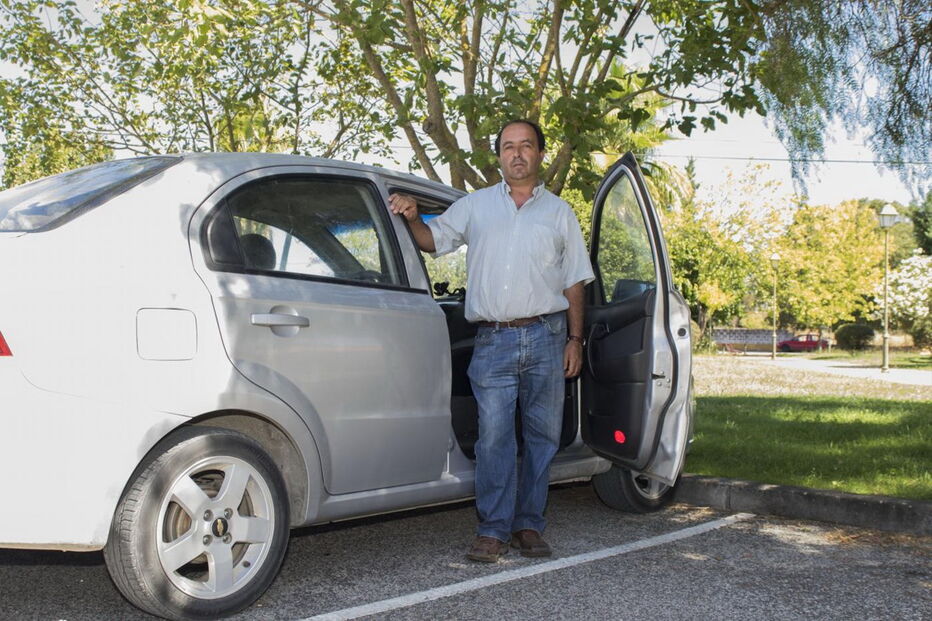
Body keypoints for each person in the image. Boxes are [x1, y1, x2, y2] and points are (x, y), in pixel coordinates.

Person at [389, 119, 594, 562]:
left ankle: (528, 525)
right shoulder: (474, 206)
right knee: (494, 439)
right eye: (507, 147)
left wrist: (575, 339)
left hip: (547, 335)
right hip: (493, 340)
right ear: (498, 155)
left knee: (542, 438)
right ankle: (493, 529)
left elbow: (576, 281)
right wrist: (410, 217)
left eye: (525, 146)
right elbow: (432, 240)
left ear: (540, 153)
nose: (516, 154)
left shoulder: (559, 213)